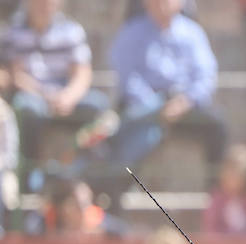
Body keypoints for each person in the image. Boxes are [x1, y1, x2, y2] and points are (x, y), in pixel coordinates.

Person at [104, 0, 227, 186]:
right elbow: (127, 77)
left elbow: (206, 76)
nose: (162, 4)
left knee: (217, 125)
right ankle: (113, 189)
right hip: (143, 106)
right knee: (124, 133)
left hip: (183, 105)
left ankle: (215, 190)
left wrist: (185, 102)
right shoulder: (131, 32)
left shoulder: (193, 33)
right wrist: (155, 106)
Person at [2, 0, 108, 160]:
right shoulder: (12, 32)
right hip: (32, 94)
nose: (44, 5)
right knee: (27, 108)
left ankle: (77, 162)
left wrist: (69, 96)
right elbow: (14, 75)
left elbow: (82, 73)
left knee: (98, 104)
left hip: (66, 94)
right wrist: (45, 96)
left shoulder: (72, 30)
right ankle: (32, 165)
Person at [202, 143, 246, 236]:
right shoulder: (217, 200)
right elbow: (211, 228)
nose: (231, 178)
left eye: (236, 174)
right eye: (228, 172)